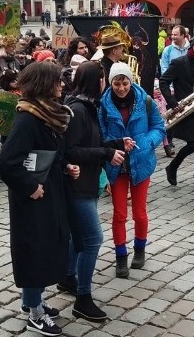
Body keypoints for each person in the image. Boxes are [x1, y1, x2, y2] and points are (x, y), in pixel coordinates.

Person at [0, 61, 79, 337]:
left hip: (48, 192)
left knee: (47, 247)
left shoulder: (46, 114)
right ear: (45, 85)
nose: (62, 86)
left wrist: (65, 166)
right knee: (35, 252)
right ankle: (35, 312)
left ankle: (33, 300)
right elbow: (7, 162)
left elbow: (47, 152)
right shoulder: (28, 118)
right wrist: (30, 186)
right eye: (57, 81)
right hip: (32, 199)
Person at [62, 61, 124, 322]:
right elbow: (72, 151)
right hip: (78, 185)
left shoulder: (88, 106)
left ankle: (67, 277)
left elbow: (91, 143)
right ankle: (83, 299)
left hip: (89, 182)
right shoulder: (78, 109)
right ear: (94, 81)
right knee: (93, 240)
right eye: (102, 78)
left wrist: (116, 144)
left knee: (79, 236)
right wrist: (106, 153)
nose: (105, 84)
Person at [100, 62, 164, 278]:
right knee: (119, 213)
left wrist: (146, 143)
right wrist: (118, 143)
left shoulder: (144, 101)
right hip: (117, 164)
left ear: (131, 81)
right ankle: (120, 256)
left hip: (141, 161)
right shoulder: (104, 104)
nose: (121, 88)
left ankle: (140, 249)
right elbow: (101, 136)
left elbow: (159, 128)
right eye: (116, 83)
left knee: (139, 212)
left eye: (124, 82)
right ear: (111, 83)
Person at [160, 33, 194, 189]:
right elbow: (163, 81)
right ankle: (172, 167)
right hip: (184, 109)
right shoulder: (179, 63)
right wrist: (172, 102)